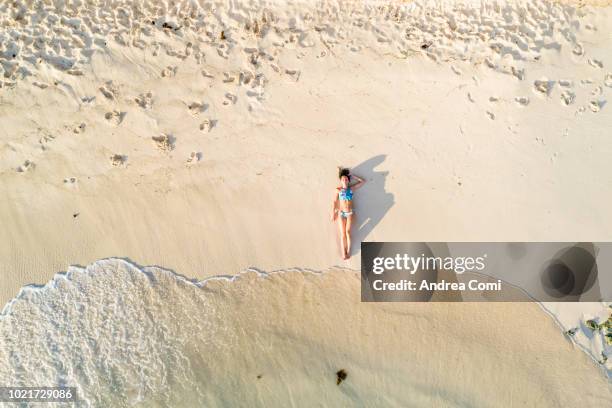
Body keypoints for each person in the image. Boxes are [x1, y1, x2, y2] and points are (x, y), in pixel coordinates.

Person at [331, 167, 366, 259]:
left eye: (346, 178)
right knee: (343, 234)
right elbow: (334, 202)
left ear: (348, 180)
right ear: (340, 180)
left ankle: (348, 251)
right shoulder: (338, 190)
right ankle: (343, 253)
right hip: (341, 213)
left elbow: (363, 181)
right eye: (343, 178)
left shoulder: (351, 189)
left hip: (350, 213)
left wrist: (352, 176)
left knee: (348, 232)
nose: (344, 179)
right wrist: (333, 213)